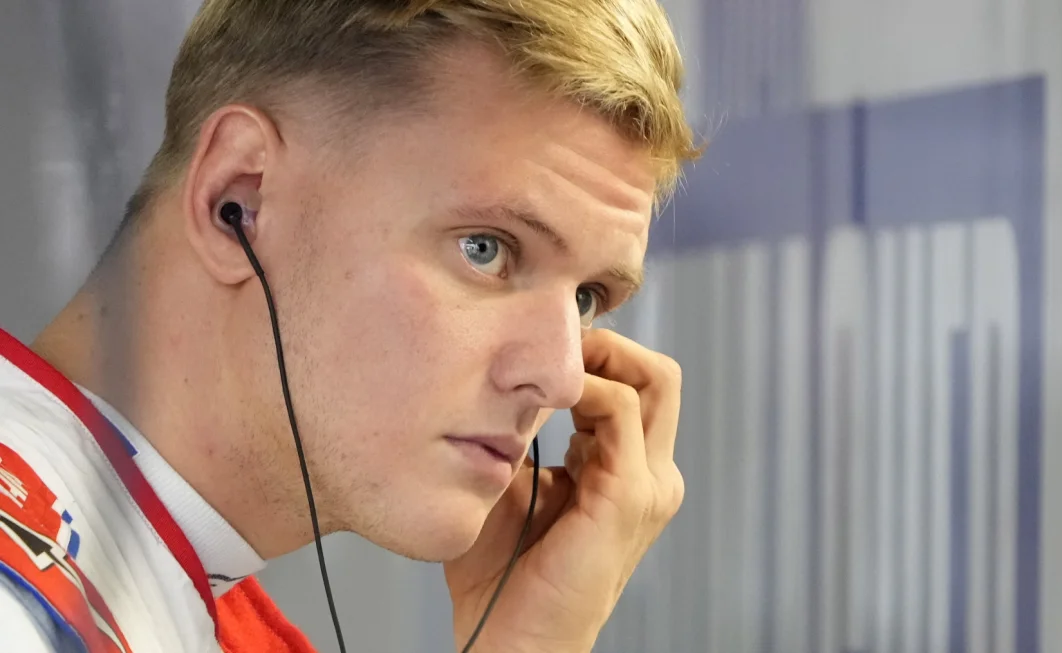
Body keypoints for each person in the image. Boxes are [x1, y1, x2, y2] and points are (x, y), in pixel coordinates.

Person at [0, 0, 701, 650]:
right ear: (237, 199)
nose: (559, 376)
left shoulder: (161, 586)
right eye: (485, 249)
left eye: (587, 297)